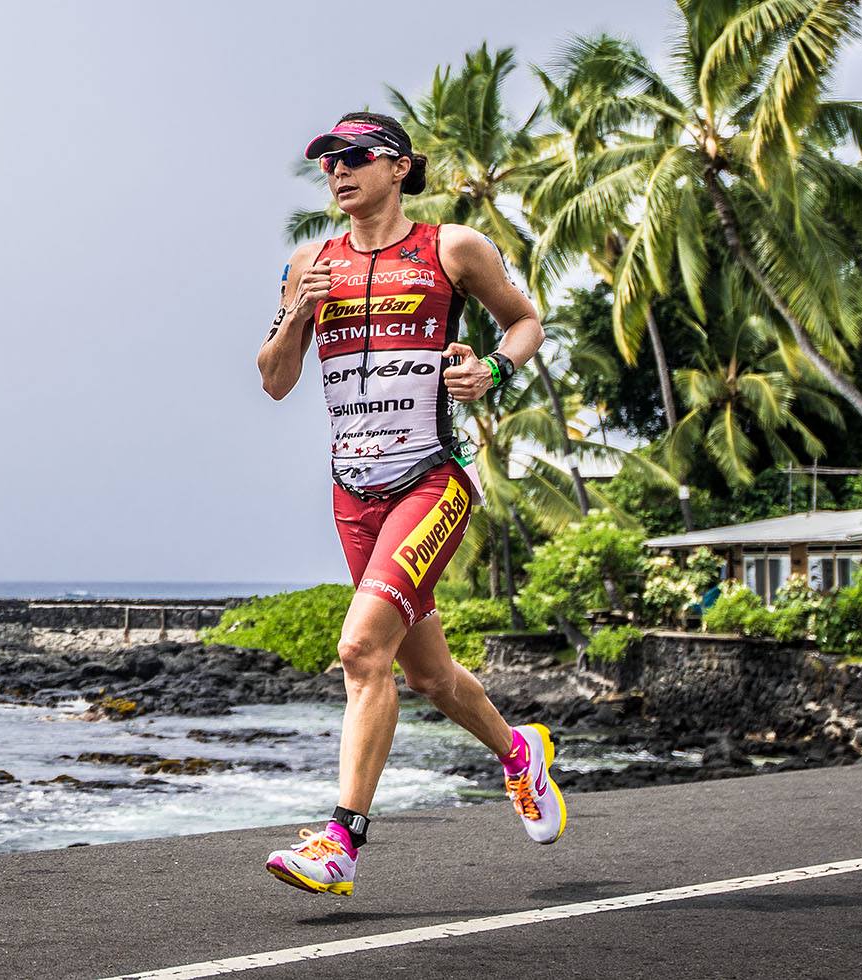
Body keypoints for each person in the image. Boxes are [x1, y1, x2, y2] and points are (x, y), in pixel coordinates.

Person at [255, 112, 566, 897]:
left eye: (355, 157)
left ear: (398, 167)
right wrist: (299, 311)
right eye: (328, 161)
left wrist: (492, 371)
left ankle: (339, 844)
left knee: (361, 651)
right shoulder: (309, 263)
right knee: (427, 675)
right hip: (351, 491)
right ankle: (518, 752)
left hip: (431, 477)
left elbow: (526, 321)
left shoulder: (450, 248)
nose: (338, 171)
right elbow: (274, 378)